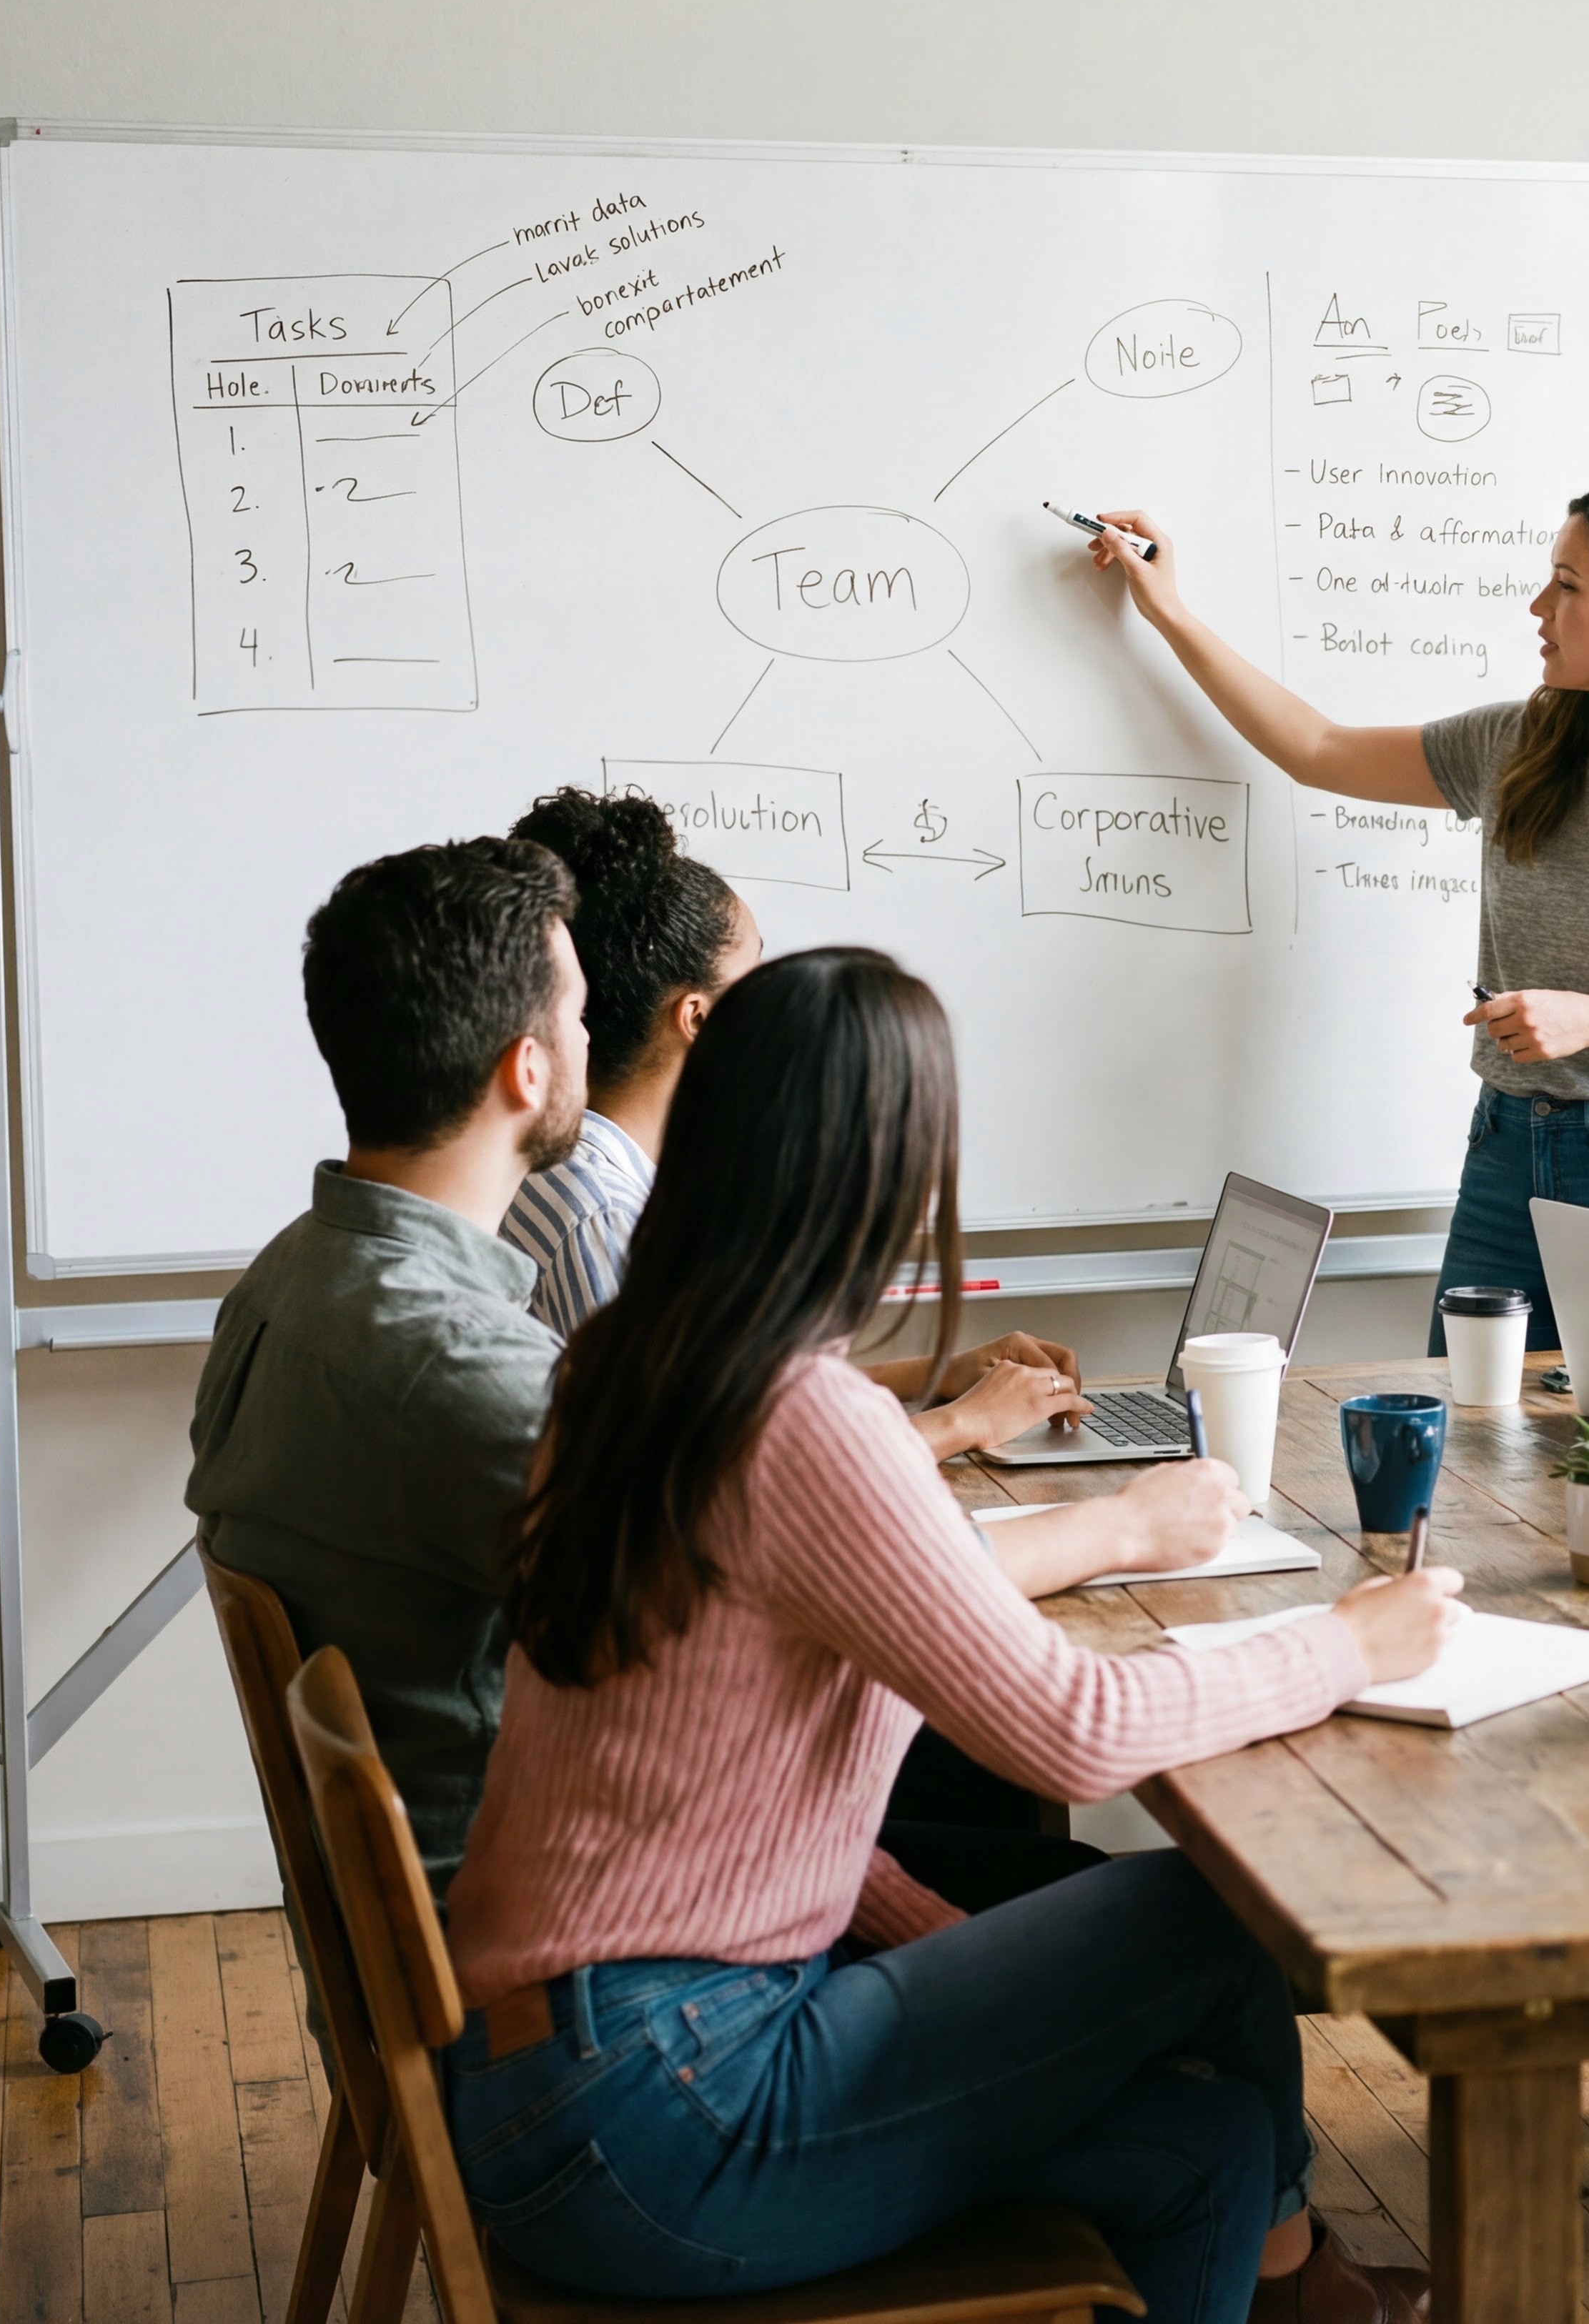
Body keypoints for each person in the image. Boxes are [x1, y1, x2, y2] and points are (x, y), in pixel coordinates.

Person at [442, 946, 1462, 2324]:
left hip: (546, 2086)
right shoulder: (806, 1420)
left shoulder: (627, 1366)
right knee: (1203, 1914)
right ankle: (1310, 2288)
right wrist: (1351, 1642)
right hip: (665, 2112)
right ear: (886, 1173)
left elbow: (736, 1794)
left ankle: (1290, 2283)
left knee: (1200, 2147)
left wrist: (940, 1938)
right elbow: (1075, 1727)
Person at [494, 785, 1244, 1909]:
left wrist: (908, 1923)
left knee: (1059, 1857)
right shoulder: (614, 1227)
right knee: (1192, 1923)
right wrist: (1330, 1633)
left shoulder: (646, 1318)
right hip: (682, 2002)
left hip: (661, 1922)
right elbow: (1070, 1727)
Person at [1085, 483, 1589, 1346]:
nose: (1538, 605)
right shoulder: (1520, 746)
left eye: (1568, 585)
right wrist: (1167, 609)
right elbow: (1315, 749)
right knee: (1475, 1455)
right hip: (1508, 1152)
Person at [188, 838, 586, 1896]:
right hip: (561, 1988)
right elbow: (746, 1623)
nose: (589, 1037)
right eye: (578, 1016)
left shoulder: (284, 1284)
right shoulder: (464, 1364)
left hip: (418, 1967)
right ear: (528, 1066)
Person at [497, 785, 1076, 1466]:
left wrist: (939, 1377)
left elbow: (726, 1403)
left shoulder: (595, 1167)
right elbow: (714, 1474)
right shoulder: (604, 1218)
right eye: (755, 971)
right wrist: (962, 1426)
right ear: (698, 1018)